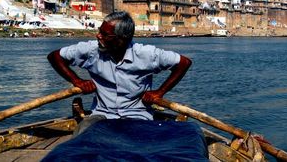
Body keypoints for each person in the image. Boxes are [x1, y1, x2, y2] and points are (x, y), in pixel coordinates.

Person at [48, 11, 192, 133]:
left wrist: (159, 92)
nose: (98, 36)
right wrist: (77, 80)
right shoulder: (92, 50)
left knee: (138, 144)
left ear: (121, 40)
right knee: (84, 135)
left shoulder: (146, 54)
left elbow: (184, 63)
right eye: (99, 31)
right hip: (101, 114)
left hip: (136, 115)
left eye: (105, 34)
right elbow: (55, 56)